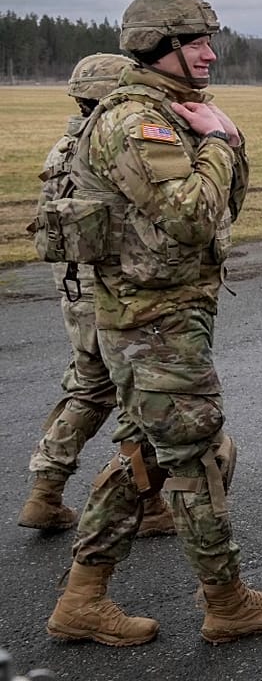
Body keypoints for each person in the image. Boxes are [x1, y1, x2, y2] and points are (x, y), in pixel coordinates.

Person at [45, 0, 262, 647]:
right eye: (196, 43)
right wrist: (218, 141)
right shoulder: (138, 122)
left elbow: (221, 208)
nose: (210, 53)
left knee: (143, 455)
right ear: (159, 48)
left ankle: (82, 598)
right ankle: (227, 602)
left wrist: (221, 136)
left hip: (160, 318)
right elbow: (191, 216)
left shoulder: (169, 111)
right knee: (198, 455)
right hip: (153, 324)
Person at [18, 54, 175, 540]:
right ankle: (146, 505)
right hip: (109, 288)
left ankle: (45, 490)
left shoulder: (64, 147)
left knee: (91, 387)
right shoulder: (113, 146)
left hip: (73, 285)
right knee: (136, 396)